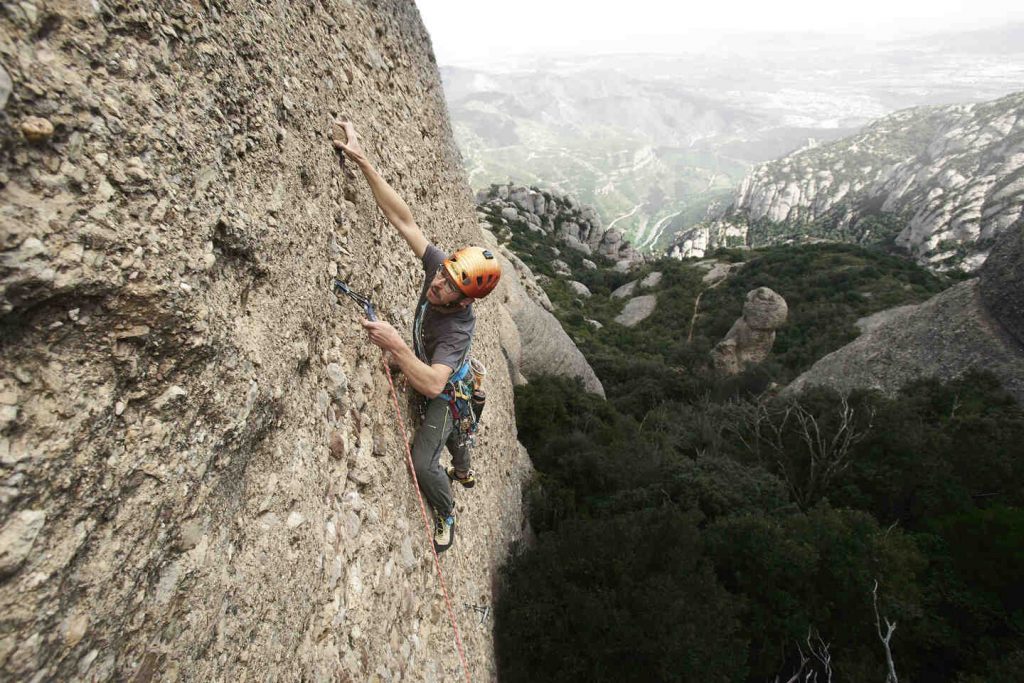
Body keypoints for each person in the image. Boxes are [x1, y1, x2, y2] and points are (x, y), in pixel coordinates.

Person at [332, 121, 501, 553]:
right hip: (434, 369)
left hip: (448, 393)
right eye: (441, 275)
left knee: (426, 463)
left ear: (464, 302)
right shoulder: (446, 273)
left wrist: (396, 347)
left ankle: (447, 509)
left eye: (448, 287)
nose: (437, 284)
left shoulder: (458, 328)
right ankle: (463, 464)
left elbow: (431, 384)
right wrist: (363, 160)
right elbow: (403, 219)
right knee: (461, 443)